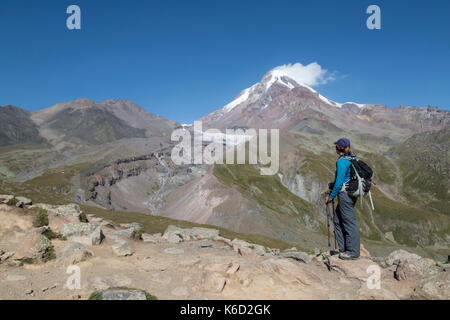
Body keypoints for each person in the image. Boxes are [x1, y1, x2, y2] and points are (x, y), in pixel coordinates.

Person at [325, 138, 360, 260]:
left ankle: (353, 251)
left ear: (338, 148)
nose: (335, 148)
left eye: (336, 146)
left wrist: (331, 196)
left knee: (349, 222)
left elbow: (339, 182)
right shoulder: (351, 158)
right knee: (337, 219)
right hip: (351, 193)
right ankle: (344, 248)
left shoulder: (341, 162)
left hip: (344, 194)